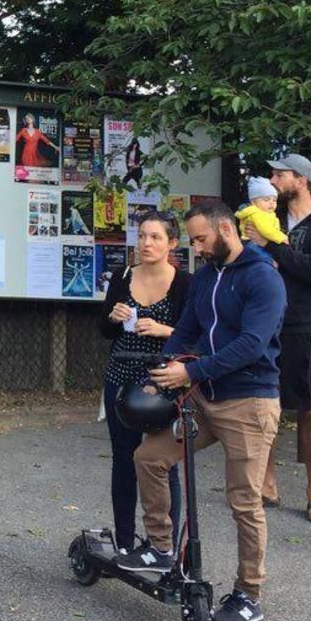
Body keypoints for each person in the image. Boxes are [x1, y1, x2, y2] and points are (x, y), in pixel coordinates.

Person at [117, 199, 285, 621]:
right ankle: (160, 546)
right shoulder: (208, 274)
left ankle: (249, 594)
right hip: (203, 394)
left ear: (227, 230)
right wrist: (162, 373)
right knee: (148, 458)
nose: (197, 247)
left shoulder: (264, 278)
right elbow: (189, 328)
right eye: (192, 240)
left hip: (249, 401)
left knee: (244, 502)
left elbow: (251, 344)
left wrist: (189, 370)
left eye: (201, 238)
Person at [246, 154, 311, 525]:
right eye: (271, 173)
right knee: (265, 404)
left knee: (310, 409)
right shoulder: (263, 215)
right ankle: (268, 483)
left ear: (302, 180)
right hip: (261, 321)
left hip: (302, 325)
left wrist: (274, 248)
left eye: (280, 174)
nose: (272, 180)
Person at [99, 211, 190, 553]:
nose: (146, 243)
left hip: (163, 379)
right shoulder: (123, 276)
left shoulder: (185, 283)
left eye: (155, 237)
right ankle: (124, 542)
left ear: (172, 244)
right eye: (142, 236)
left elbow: (195, 336)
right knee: (123, 459)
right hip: (121, 374)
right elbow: (105, 331)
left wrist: (166, 330)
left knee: (162, 461)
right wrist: (113, 316)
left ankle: (163, 545)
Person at [235, 177, 286, 245]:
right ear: (253, 202)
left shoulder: (267, 213)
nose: (271, 203)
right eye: (266, 199)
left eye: (274, 200)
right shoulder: (256, 213)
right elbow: (266, 230)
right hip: (253, 245)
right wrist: (283, 238)